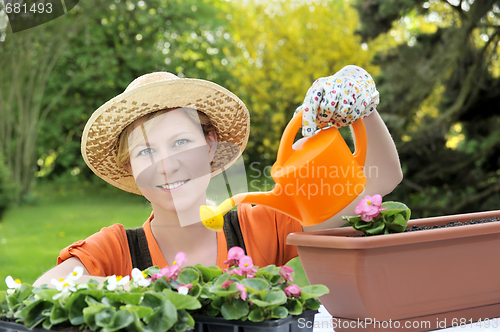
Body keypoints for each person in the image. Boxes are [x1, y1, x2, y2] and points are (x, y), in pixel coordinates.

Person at [34, 67, 402, 286]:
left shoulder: (259, 225)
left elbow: (380, 182)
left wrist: (361, 105)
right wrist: (144, 288)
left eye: (181, 142)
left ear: (210, 147)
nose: (166, 164)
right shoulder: (117, 249)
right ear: (132, 169)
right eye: (146, 151)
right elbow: (45, 289)